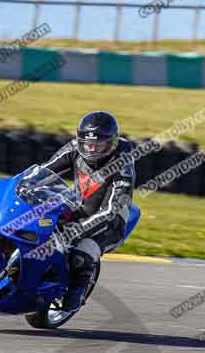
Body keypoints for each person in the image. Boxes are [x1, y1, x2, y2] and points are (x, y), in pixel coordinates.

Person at [39, 111, 136, 312]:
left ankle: (78, 288)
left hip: (111, 220)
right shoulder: (75, 147)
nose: (91, 149)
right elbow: (44, 170)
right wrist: (19, 185)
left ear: (112, 143)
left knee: (81, 253)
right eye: (87, 143)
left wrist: (80, 229)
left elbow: (112, 209)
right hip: (80, 205)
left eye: (98, 145)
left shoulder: (123, 163)